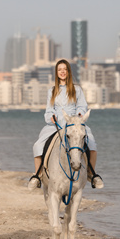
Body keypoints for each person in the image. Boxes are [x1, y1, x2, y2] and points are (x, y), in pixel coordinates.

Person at [28, 59, 104, 190]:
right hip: (56, 124)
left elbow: (82, 106)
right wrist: (51, 117)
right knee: (38, 145)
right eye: (59, 69)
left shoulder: (77, 90)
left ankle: (92, 173)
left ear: (68, 71)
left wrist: (79, 115)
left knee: (91, 142)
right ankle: (38, 175)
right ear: (56, 73)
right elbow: (49, 110)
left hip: (74, 123)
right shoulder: (51, 91)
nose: (62, 72)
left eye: (65, 69)